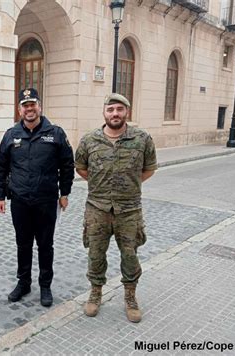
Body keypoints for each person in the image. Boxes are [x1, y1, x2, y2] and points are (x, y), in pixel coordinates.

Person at [75, 93, 158, 323]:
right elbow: (80, 167)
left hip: (129, 210)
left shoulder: (141, 139)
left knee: (130, 255)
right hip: (97, 209)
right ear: (104, 112)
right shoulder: (90, 140)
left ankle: (130, 296)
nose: (115, 114)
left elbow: (149, 168)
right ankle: (95, 292)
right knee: (95, 253)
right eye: (111, 109)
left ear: (126, 112)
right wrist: (101, 184)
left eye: (120, 109)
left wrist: (129, 184)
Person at [0, 88, 74, 307]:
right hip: (19, 200)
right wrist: (0, 195)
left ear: (39, 106)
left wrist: (64, 192)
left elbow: (67, 164)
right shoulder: (11, 135)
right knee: (23, 244)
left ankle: (45, 285)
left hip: (46, 200)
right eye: (25, 105)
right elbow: (0, 165)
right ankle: (24, 282)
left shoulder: (55, 133)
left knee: (45, 245)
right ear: (19, 109)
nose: (29, 109)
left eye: (33, 104)